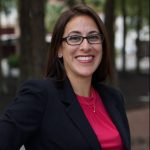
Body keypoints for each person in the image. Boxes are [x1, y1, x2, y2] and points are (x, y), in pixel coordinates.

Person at [0, 4, 131, 150]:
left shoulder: (113, 98)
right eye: (74, 38)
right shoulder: (40, 95)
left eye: (93, 37)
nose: (86, 46)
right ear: (59, 50)